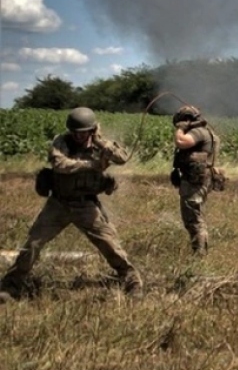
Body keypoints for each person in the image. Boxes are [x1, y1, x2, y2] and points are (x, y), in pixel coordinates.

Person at [0, 107, 142, 297]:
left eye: (83, 132)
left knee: (110, 245)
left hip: (86, 206)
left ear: (91, 131)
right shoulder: (61, 142)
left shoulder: (100, 144)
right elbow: (60, 165)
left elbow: (122, 158)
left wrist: (101, 142)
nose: (78, 136)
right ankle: (11, 285)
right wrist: (91, 165)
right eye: (74, 132)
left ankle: (131, 280)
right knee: (33, 244)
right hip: (59, 204)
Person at [171, 105, 223, 255]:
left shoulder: (198, 132)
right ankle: (199, 251)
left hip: (195, 181)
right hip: (200, 179)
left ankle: (199, 254)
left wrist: (180, 129)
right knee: (194, 215)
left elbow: (181, 141)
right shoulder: (207, 132)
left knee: (193, 218)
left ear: (188, 120)